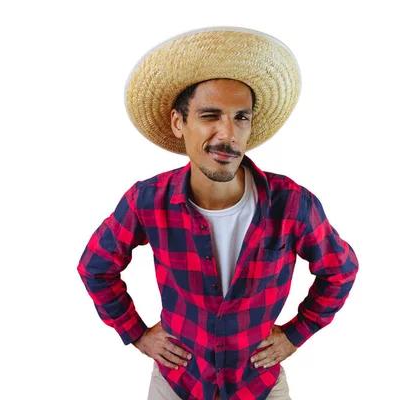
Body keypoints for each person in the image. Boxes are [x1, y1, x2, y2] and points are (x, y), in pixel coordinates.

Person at [77, 27, 359, 400]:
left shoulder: (291, 204)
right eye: (210, 115)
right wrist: (137, 334)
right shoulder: (146, 201)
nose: (228, 134)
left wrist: (295, 334)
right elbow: (95, 267)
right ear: (179, 123)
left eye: (241, 117)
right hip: (178, 384)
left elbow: (340, 271)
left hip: (258, 385)